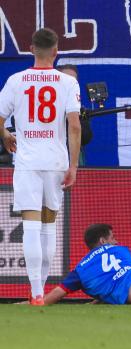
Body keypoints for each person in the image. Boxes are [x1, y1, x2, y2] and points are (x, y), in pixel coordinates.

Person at [0, 28, 81, 304]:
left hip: (27, 161)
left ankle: (36, 293)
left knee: (31, 225)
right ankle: (42, 292)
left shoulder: (16, 80)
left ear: (31, 49)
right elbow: (74, 125)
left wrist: (6, 135)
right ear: (56, 51)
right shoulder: (67, 82)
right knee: (49, 226)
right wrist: (73, 165)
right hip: (56, 160)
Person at [55, 64, 93, 165]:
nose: (70, 83)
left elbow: (85, 138)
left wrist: (77, 119)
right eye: (66, 79)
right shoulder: (42, 105)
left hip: (74, 162)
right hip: (50, 159)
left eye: (73, 80)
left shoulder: (79, 109)